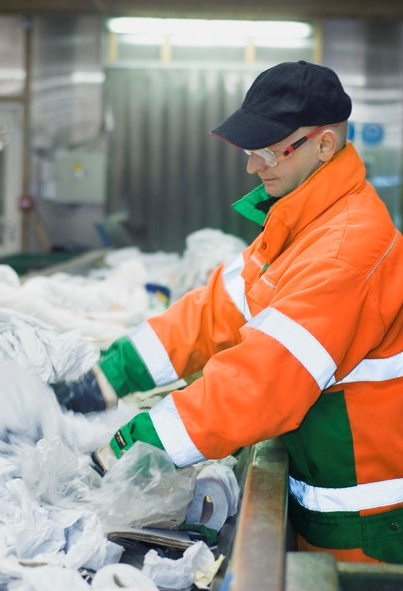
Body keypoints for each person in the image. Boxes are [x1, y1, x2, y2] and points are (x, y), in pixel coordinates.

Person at [51, 61, 403, 564]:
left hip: (368, 519)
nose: (252, 167)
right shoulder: (301, 226)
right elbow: (215, 310)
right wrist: (109, 375)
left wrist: (138, 443)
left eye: (266, 151)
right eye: (249, 150)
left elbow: (262, 381)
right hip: (322, 492)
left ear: (324, 146)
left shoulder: (347, 250)